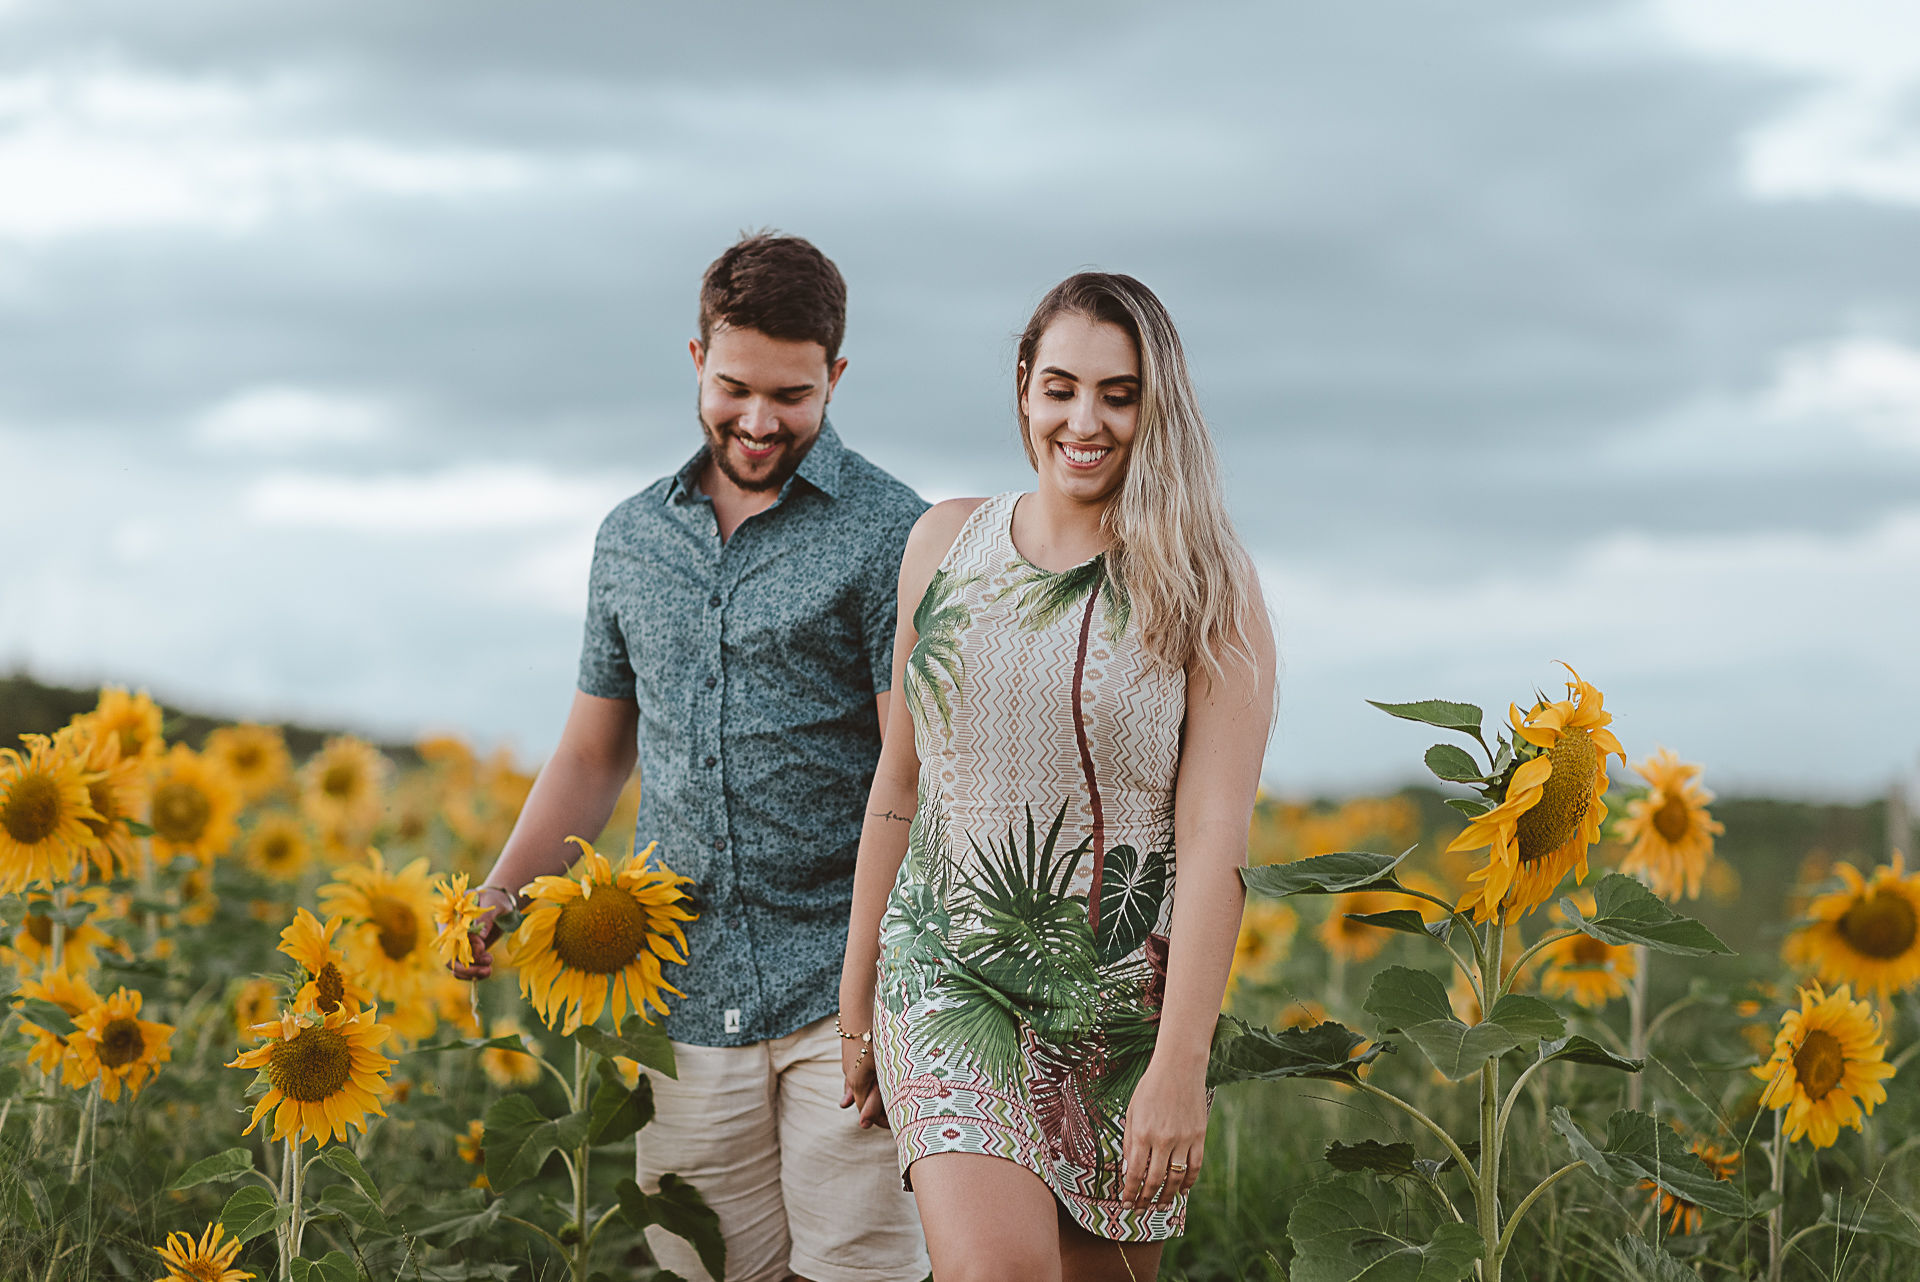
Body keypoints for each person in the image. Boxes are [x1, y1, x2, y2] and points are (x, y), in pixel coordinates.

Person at [456, 232, 932, 1282]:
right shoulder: (629, 540)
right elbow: (593, 752)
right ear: (695, 360)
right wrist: (502, 888)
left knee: (857, 1270)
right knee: (703, 1269)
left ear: (836, 378)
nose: (759, 422)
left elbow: (914, 772)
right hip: (678, 991)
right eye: (734, 388)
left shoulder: (890, 533)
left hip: (841, 985)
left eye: (793, 395)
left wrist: (886, 990)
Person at [837, 272, 1276, 1281]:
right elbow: (900, 783)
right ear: (1025, 388)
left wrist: (1181, 1065)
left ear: (1155, 404)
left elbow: (1216, 845)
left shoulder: (1209, 587)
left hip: (1120, 1014)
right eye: (1063, 387)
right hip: (946, 976)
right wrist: (858, 998)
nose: (1086, 419)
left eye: (1118, 394)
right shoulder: (943, 545)